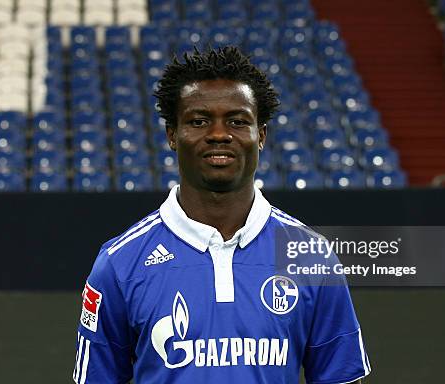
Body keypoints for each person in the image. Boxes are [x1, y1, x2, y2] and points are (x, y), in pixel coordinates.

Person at [72, 46, 371, 384]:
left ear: (261, 135)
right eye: (198, 121)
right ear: (172, 135)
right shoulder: (119, 262)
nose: (218, 134)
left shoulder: (309, 255)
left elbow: (342, 377)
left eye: (237, 121)